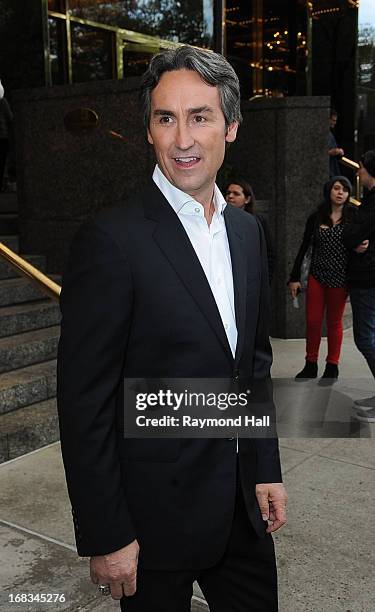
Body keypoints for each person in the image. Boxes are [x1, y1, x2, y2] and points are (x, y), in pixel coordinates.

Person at [57, 46, 287, 612]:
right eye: (166, 118)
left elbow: (251, 366)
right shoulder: (112, 241)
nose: (182, 139)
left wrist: (264, 467)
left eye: (199, 117)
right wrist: (107, 533)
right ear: (149, 131)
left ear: (230, 127)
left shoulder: (247, 235)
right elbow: (85, 403)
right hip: (151, 523)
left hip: (240, 512)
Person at [288, 176, 353, 380]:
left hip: (340, 279)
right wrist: (294, 276)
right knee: (313, 321)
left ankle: (332, 365)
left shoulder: (354, 217)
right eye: (336, 188)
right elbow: (304, 247)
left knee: (334, 323)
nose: (340, 192)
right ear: (329, 191)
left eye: (345, 189)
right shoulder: (316, 217)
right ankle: (311, 363)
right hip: (316, 275)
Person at [342, 149, 375, 423]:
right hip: (366, 277)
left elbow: (351, 233)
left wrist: (361, 240)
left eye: (361, 168)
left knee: (366, 338)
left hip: (368, 280)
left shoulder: (373, 202)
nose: (358, 172)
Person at [225, 179, 275, 283]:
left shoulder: (257, 222)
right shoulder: (219, 220)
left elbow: (269, 254)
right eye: (228, 193)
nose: (230, 196)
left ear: (247, 199)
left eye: (236, 194)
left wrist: (266, 281)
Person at [0, 95, 13, 192]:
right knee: (3, 161)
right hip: (2, 136)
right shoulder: (2, 100)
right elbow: (10, 118)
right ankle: (3, 184)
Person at [328, 109, 344, 178]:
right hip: (329, 170)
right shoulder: (326, 134)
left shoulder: (329, 134)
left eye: (335, 121)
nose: (335, 123)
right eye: (333, 120)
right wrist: (335, 151)